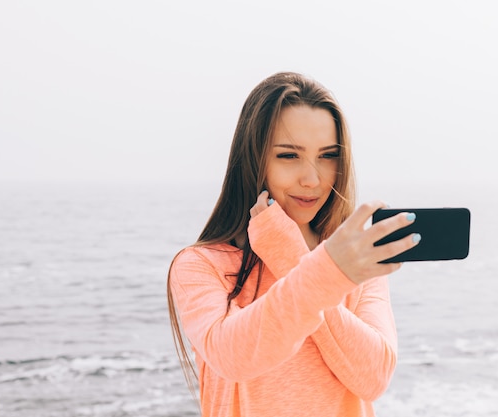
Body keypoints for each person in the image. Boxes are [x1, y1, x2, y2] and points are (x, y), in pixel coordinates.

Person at [167, 71, 421, 417]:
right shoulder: (201, 264)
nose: (312, 179)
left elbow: (373, 377)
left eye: (328, 155)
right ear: (253, 159)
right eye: (289, 156)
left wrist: (292, 257)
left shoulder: (352, 261)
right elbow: (233, 356)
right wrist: (322, 270)